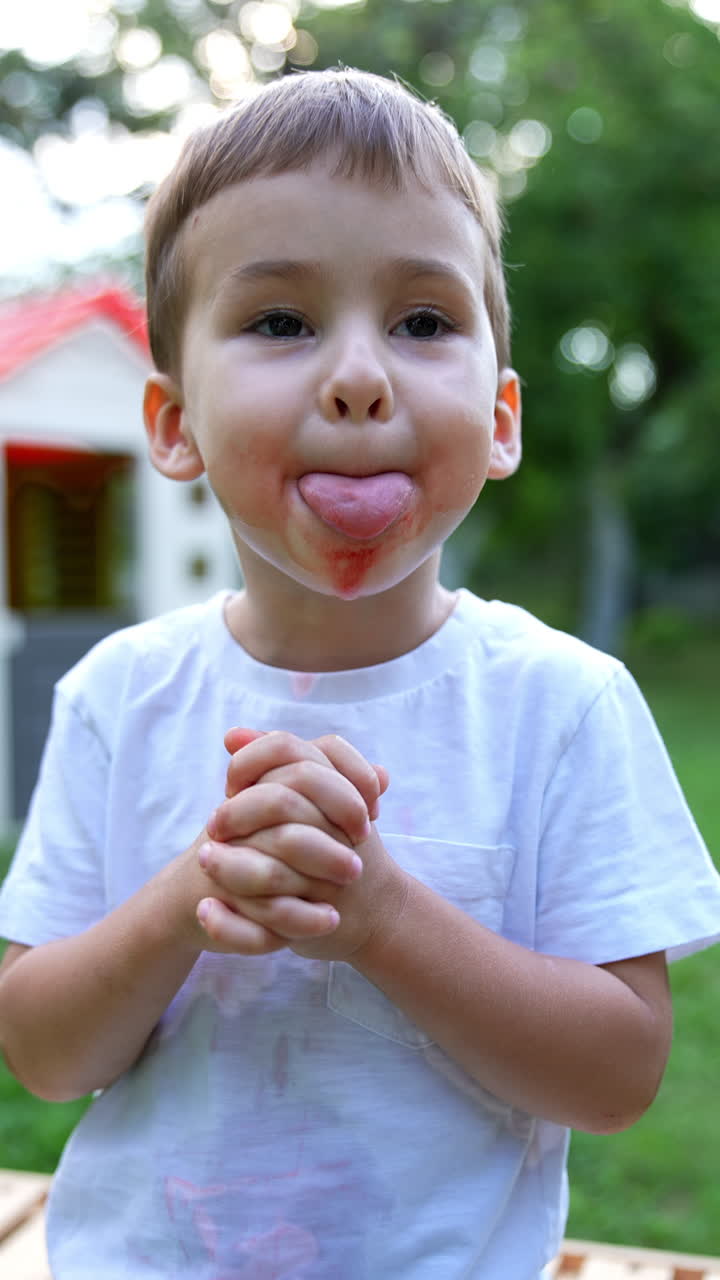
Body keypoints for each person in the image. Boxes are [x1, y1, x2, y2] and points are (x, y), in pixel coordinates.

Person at [0, 68, 719, 1280]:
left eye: (423, 320)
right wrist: (193, 895)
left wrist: (382, 916)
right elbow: (44, 1052)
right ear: (174, 423)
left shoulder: (560, 705)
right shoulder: (120, 698)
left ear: (500, 419)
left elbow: (617, 1075)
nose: (358, 375)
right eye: (280, 321)